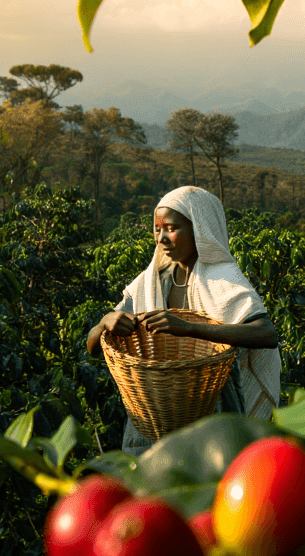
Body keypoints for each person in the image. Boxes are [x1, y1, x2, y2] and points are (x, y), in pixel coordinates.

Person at [86, 186, 281, 454]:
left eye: (172, 228)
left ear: (198, 229)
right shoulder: (150, 282)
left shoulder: (222, 277)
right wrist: (105, 321)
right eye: (157, 229)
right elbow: (94, 346)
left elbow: (266, 334)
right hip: (159, 414)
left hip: (215, 412)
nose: (162, 238)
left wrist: (189, 329)